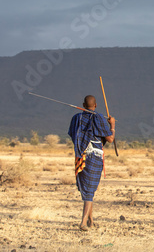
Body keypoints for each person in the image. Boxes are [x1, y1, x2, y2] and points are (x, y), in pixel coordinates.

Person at [68, 95, 115, 231]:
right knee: (89, 190)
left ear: (83, 104)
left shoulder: (76, 118)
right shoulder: (98, 117)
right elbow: (110, 139)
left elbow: (73, 135)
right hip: (94, 156)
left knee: (88, 189)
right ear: (95, 105)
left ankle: (91, 221)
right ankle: (83, 222)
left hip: (80, 157)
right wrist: (112, 124)